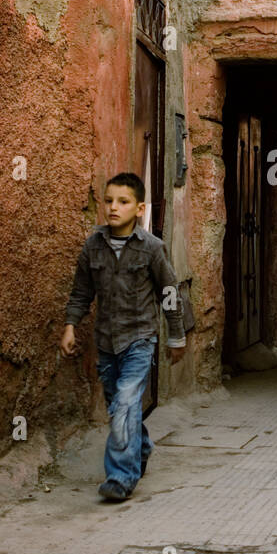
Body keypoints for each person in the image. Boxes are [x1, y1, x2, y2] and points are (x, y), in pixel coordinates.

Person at [60, 172, 190, 501]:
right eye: (108, 201)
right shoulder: (93, 245)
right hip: (106, 342)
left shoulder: (151, 248)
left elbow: (170, 293)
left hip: (139, 339)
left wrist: (176, 337)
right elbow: (80, 292)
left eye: (123, 202)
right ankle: (141, 447)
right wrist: (70, 325)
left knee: (126, 403)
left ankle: (120, 477)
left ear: (140, 208)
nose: (113, 208)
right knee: (120, 406)